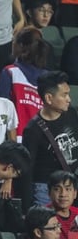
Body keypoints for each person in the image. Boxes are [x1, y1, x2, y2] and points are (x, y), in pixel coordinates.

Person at [22, 70, 78, 211]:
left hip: (71, 182)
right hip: (46, 189)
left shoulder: (71, 113)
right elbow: (27, 170)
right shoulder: (32, 130)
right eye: (64, 95)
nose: (69, 99)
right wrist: (27, 206)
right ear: (48, 98)